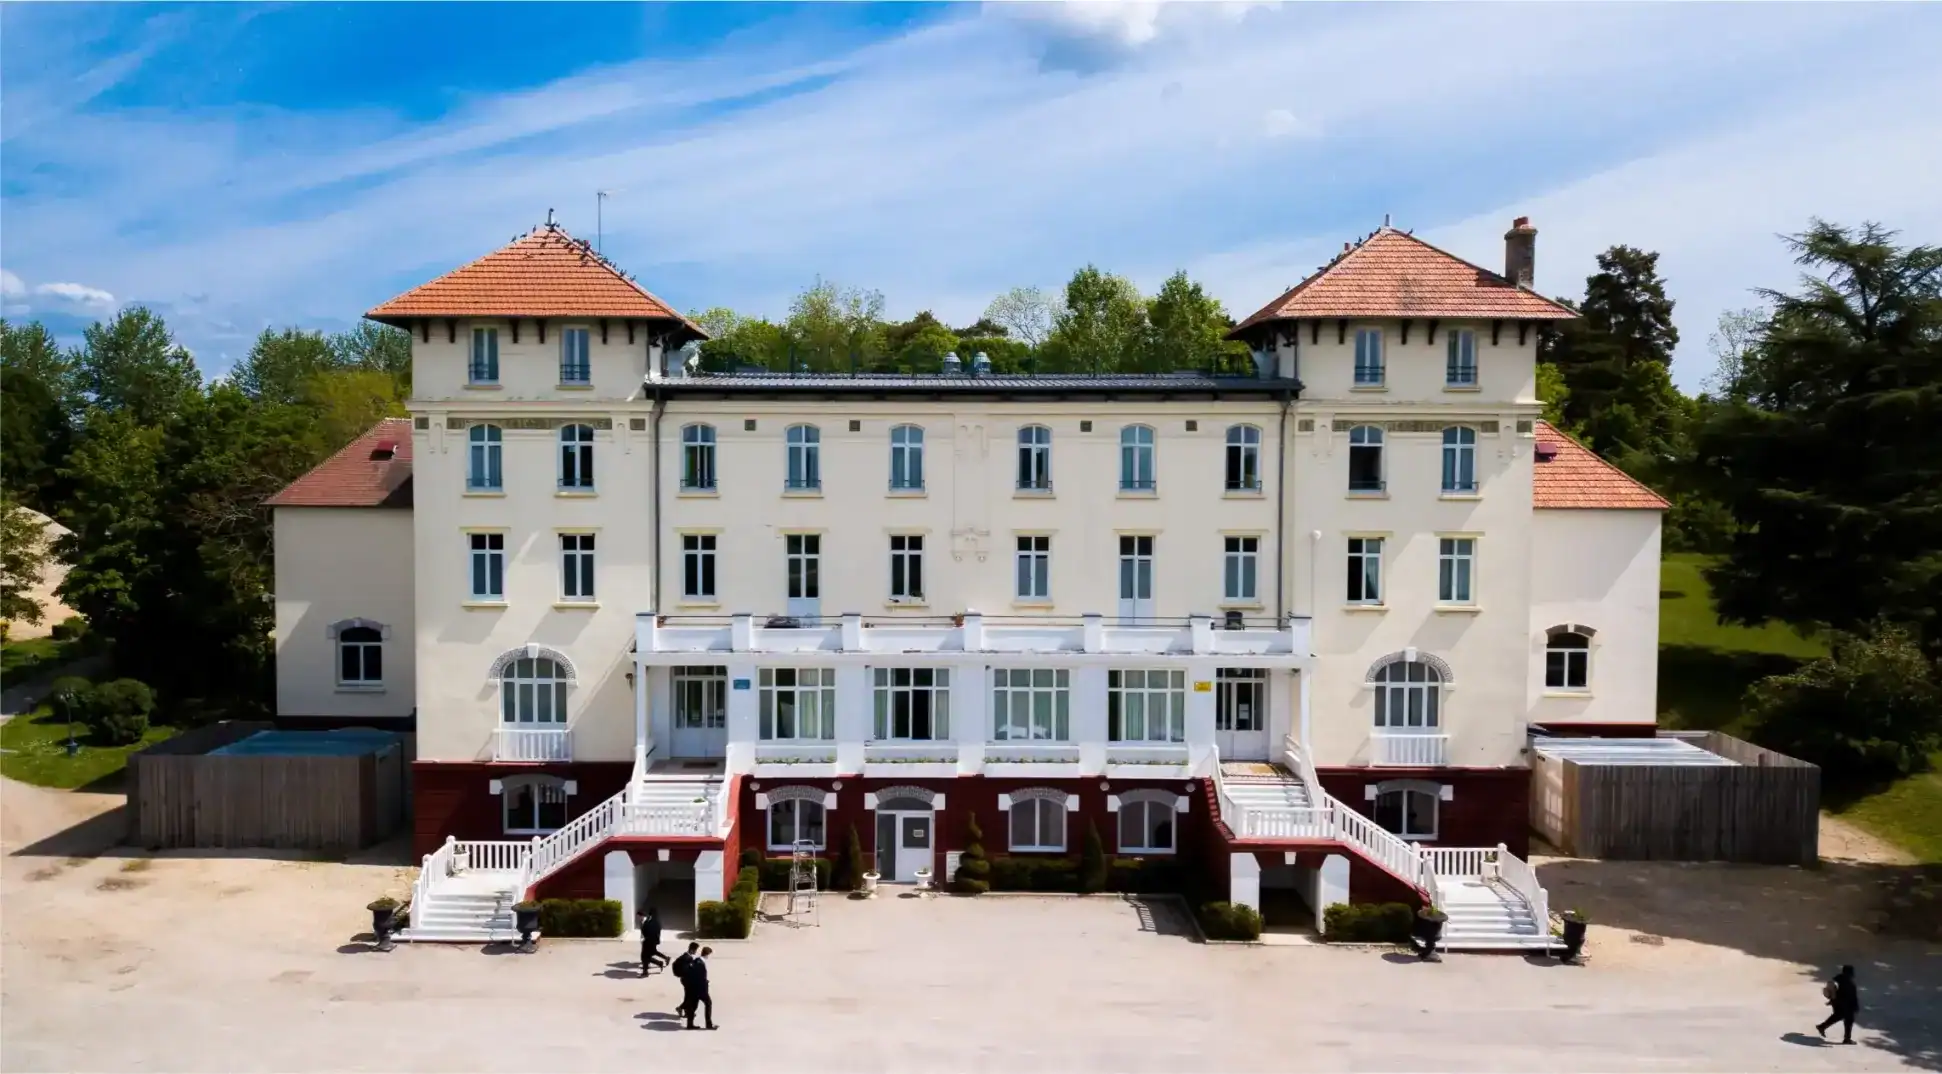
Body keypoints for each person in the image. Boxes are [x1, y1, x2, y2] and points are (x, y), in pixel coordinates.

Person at [1816, 965, 1860, 1044]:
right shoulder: (1849, 982)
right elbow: (1852, 996)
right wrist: (1855, 1006)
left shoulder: (1837, 979)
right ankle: (1847, 1039)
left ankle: (1822, 1027)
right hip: (1846, 1004)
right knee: (1848, 1020)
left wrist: (1832, 1001)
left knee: (1838, 1016)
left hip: (1836, 1002)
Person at [684, 946, 717, 1030]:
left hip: (693, 988)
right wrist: (705, 983)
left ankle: (690, 1024)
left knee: (693, 1006)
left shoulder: (696, 961)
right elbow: (700, 978)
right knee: (708, 1003)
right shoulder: (701, 964)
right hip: (700, 989)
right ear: (707, 954)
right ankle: (708, 1024)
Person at [670, 942, 699, 1020]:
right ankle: (681, 1008)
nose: (696, 951)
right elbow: (687, 970)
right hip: (687, 980)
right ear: (692, 949)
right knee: (690, 997)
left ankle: (686, 1012)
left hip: (684, 979)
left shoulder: (684, 956)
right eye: (696, 950)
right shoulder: (688, 958)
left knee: (688, 996)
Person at [637, 907, 668, 978]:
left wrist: (646, 937)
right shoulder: (657, 922)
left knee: (645, 957)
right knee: (647, 956)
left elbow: (644, 931)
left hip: (648, 941)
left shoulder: (648, 921)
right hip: (653, 941)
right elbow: (658, 931)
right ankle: (659, 963)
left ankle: (646, 972)